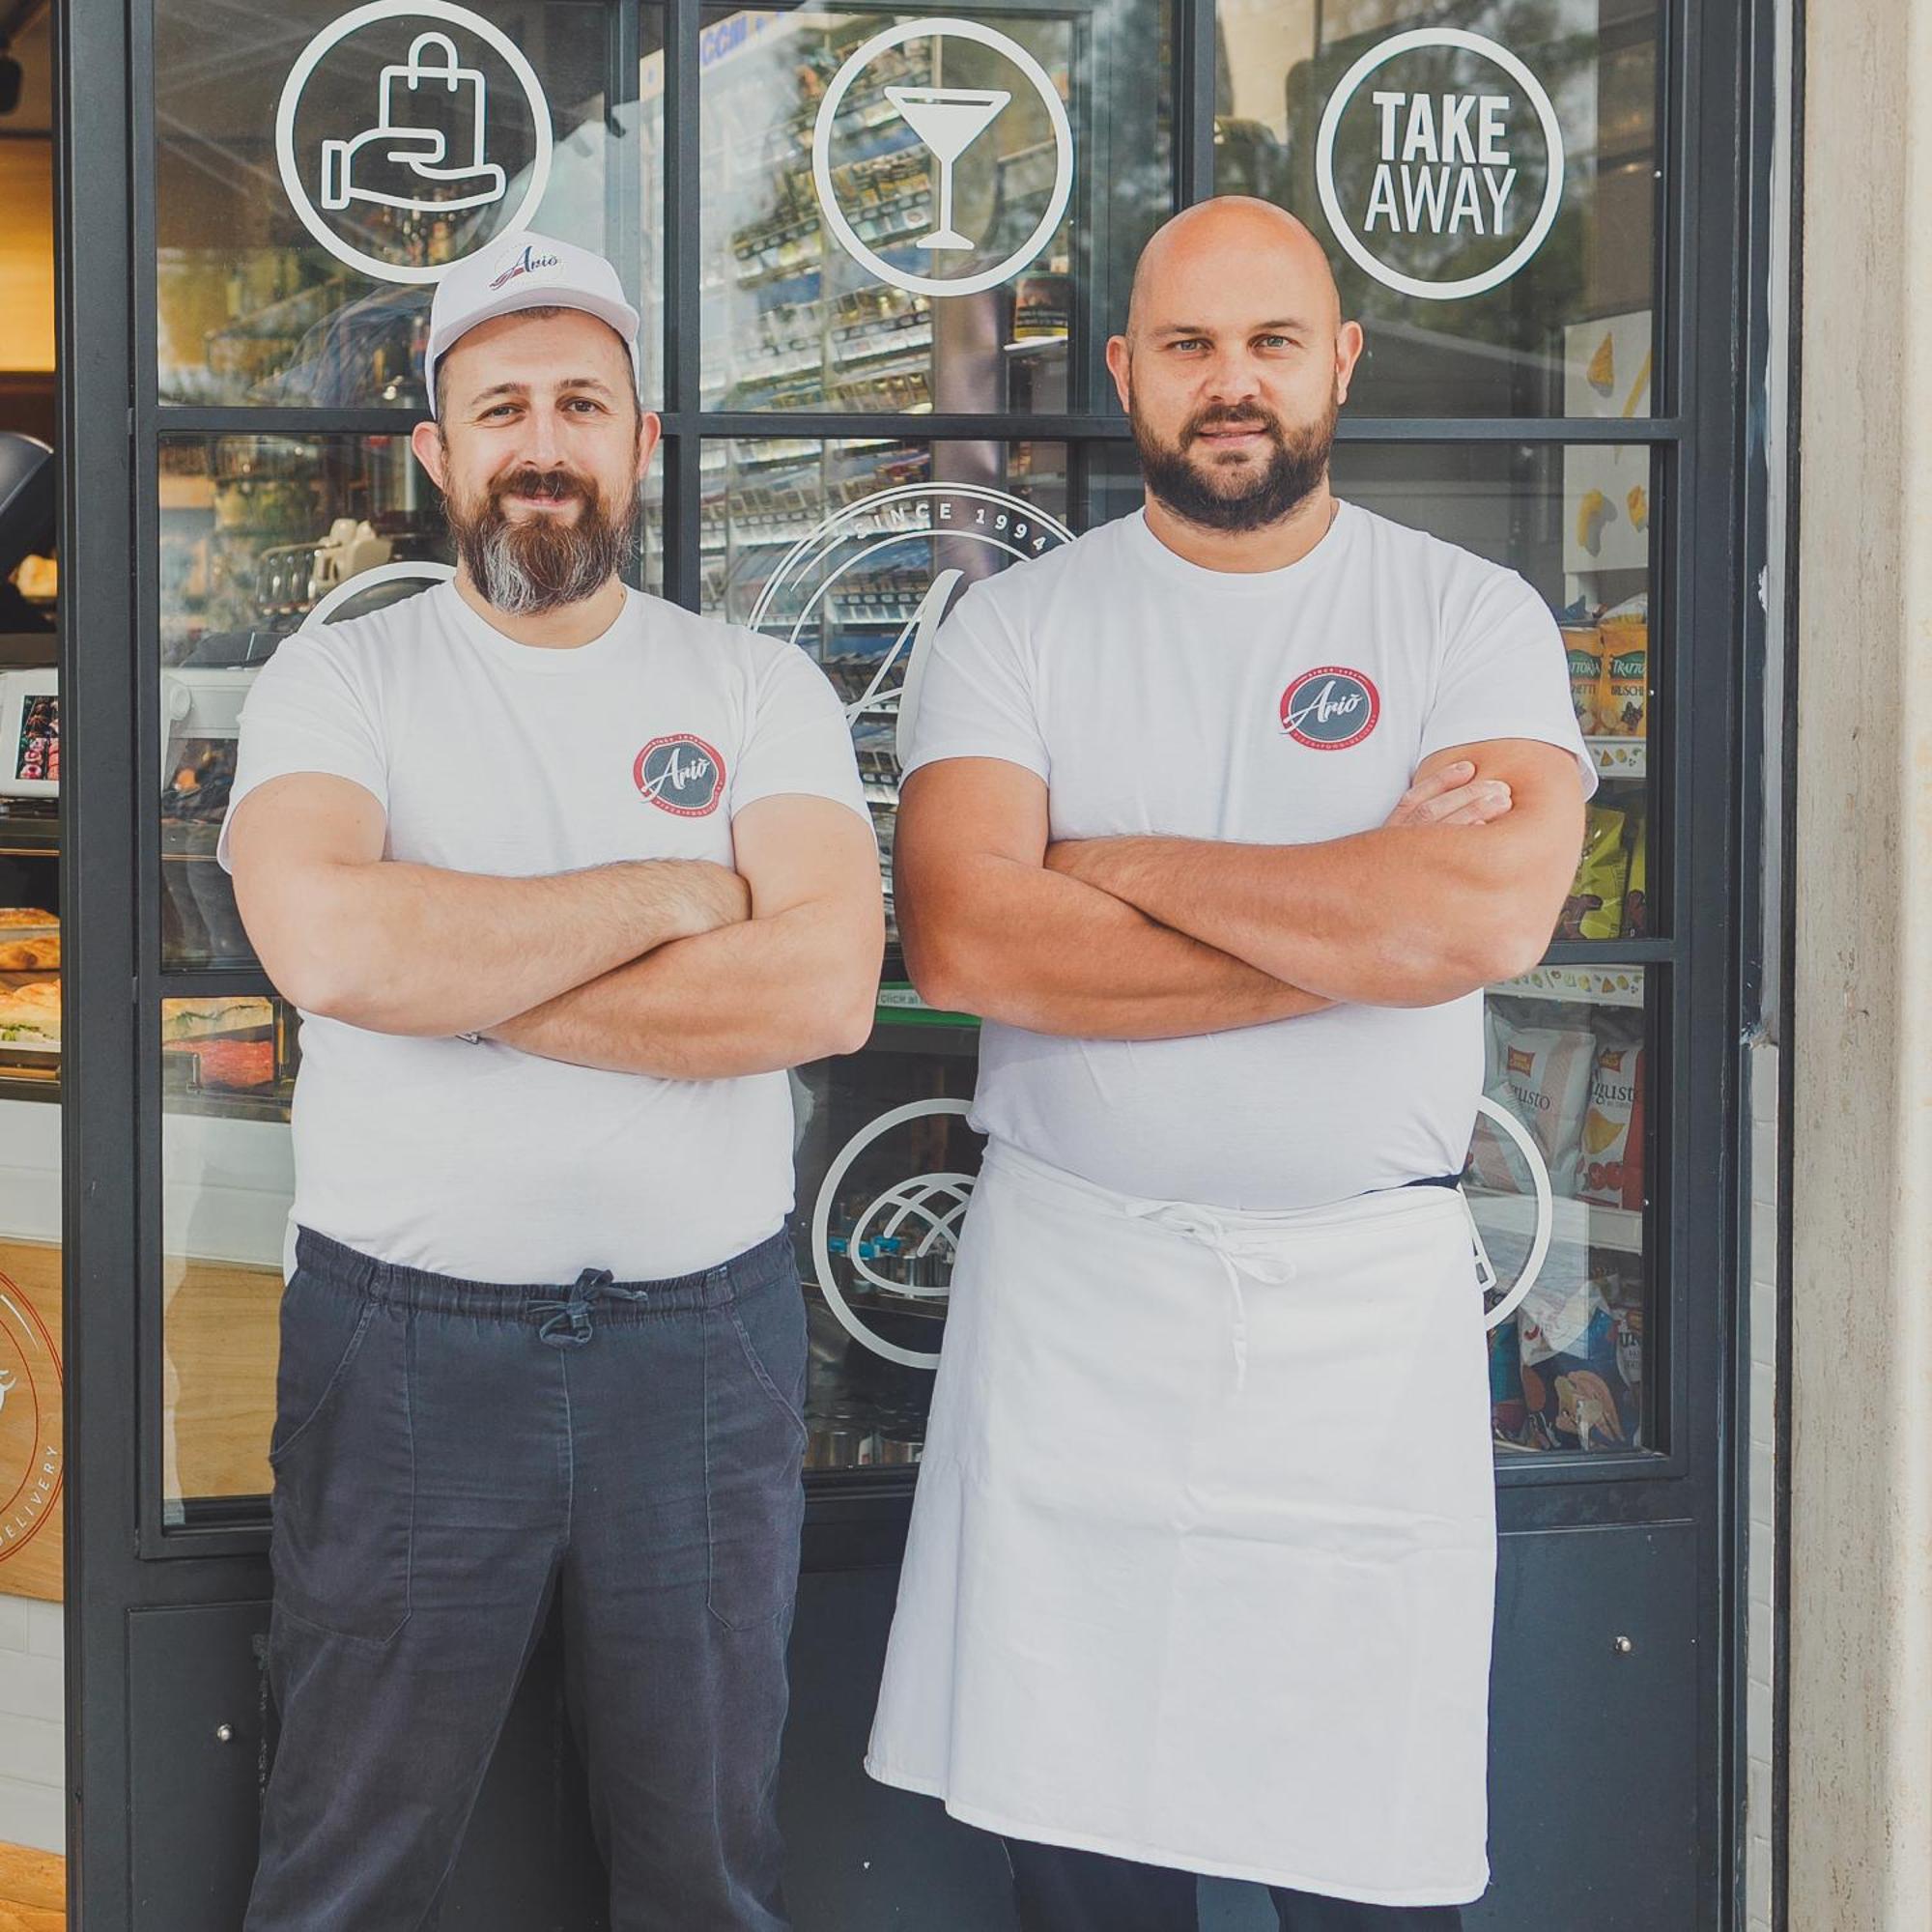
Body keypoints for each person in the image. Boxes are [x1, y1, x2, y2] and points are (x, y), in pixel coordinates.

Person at [866, 196, 1596, 1930]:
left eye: (1272, 341)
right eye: (1189, 346)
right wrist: (1354, 931)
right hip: (1078, 1312)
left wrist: (1112, 866)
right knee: (1084, 1871)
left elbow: (1485, 919)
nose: (1232, 384)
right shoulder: (1016, 633)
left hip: (1361, 1330)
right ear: (1124, 373)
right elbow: (970, 941)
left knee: (1370, 1871)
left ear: (1340, 360)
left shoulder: (1465, 618)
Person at [222, 231, 883, 1932]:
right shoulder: (343, 678)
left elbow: (822, 980)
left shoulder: (756, 685)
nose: (542, 439)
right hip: (407, 1350)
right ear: (435, 452)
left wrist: (466, 966)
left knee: (707, 1868)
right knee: (345, 1866)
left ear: (641, 440)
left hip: (704, 1349)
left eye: (580, 400)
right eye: (499, 403)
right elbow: (337, 950)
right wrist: (678, 899)